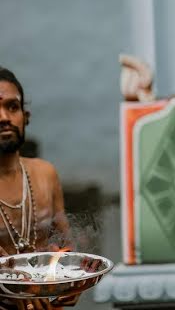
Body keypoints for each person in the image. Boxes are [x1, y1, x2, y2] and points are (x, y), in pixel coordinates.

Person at [0, 67, 73, 310]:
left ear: (25, 115)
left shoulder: (46, 174)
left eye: (12, 107)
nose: (4, 117)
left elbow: (67, 248)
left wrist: (72, 285)